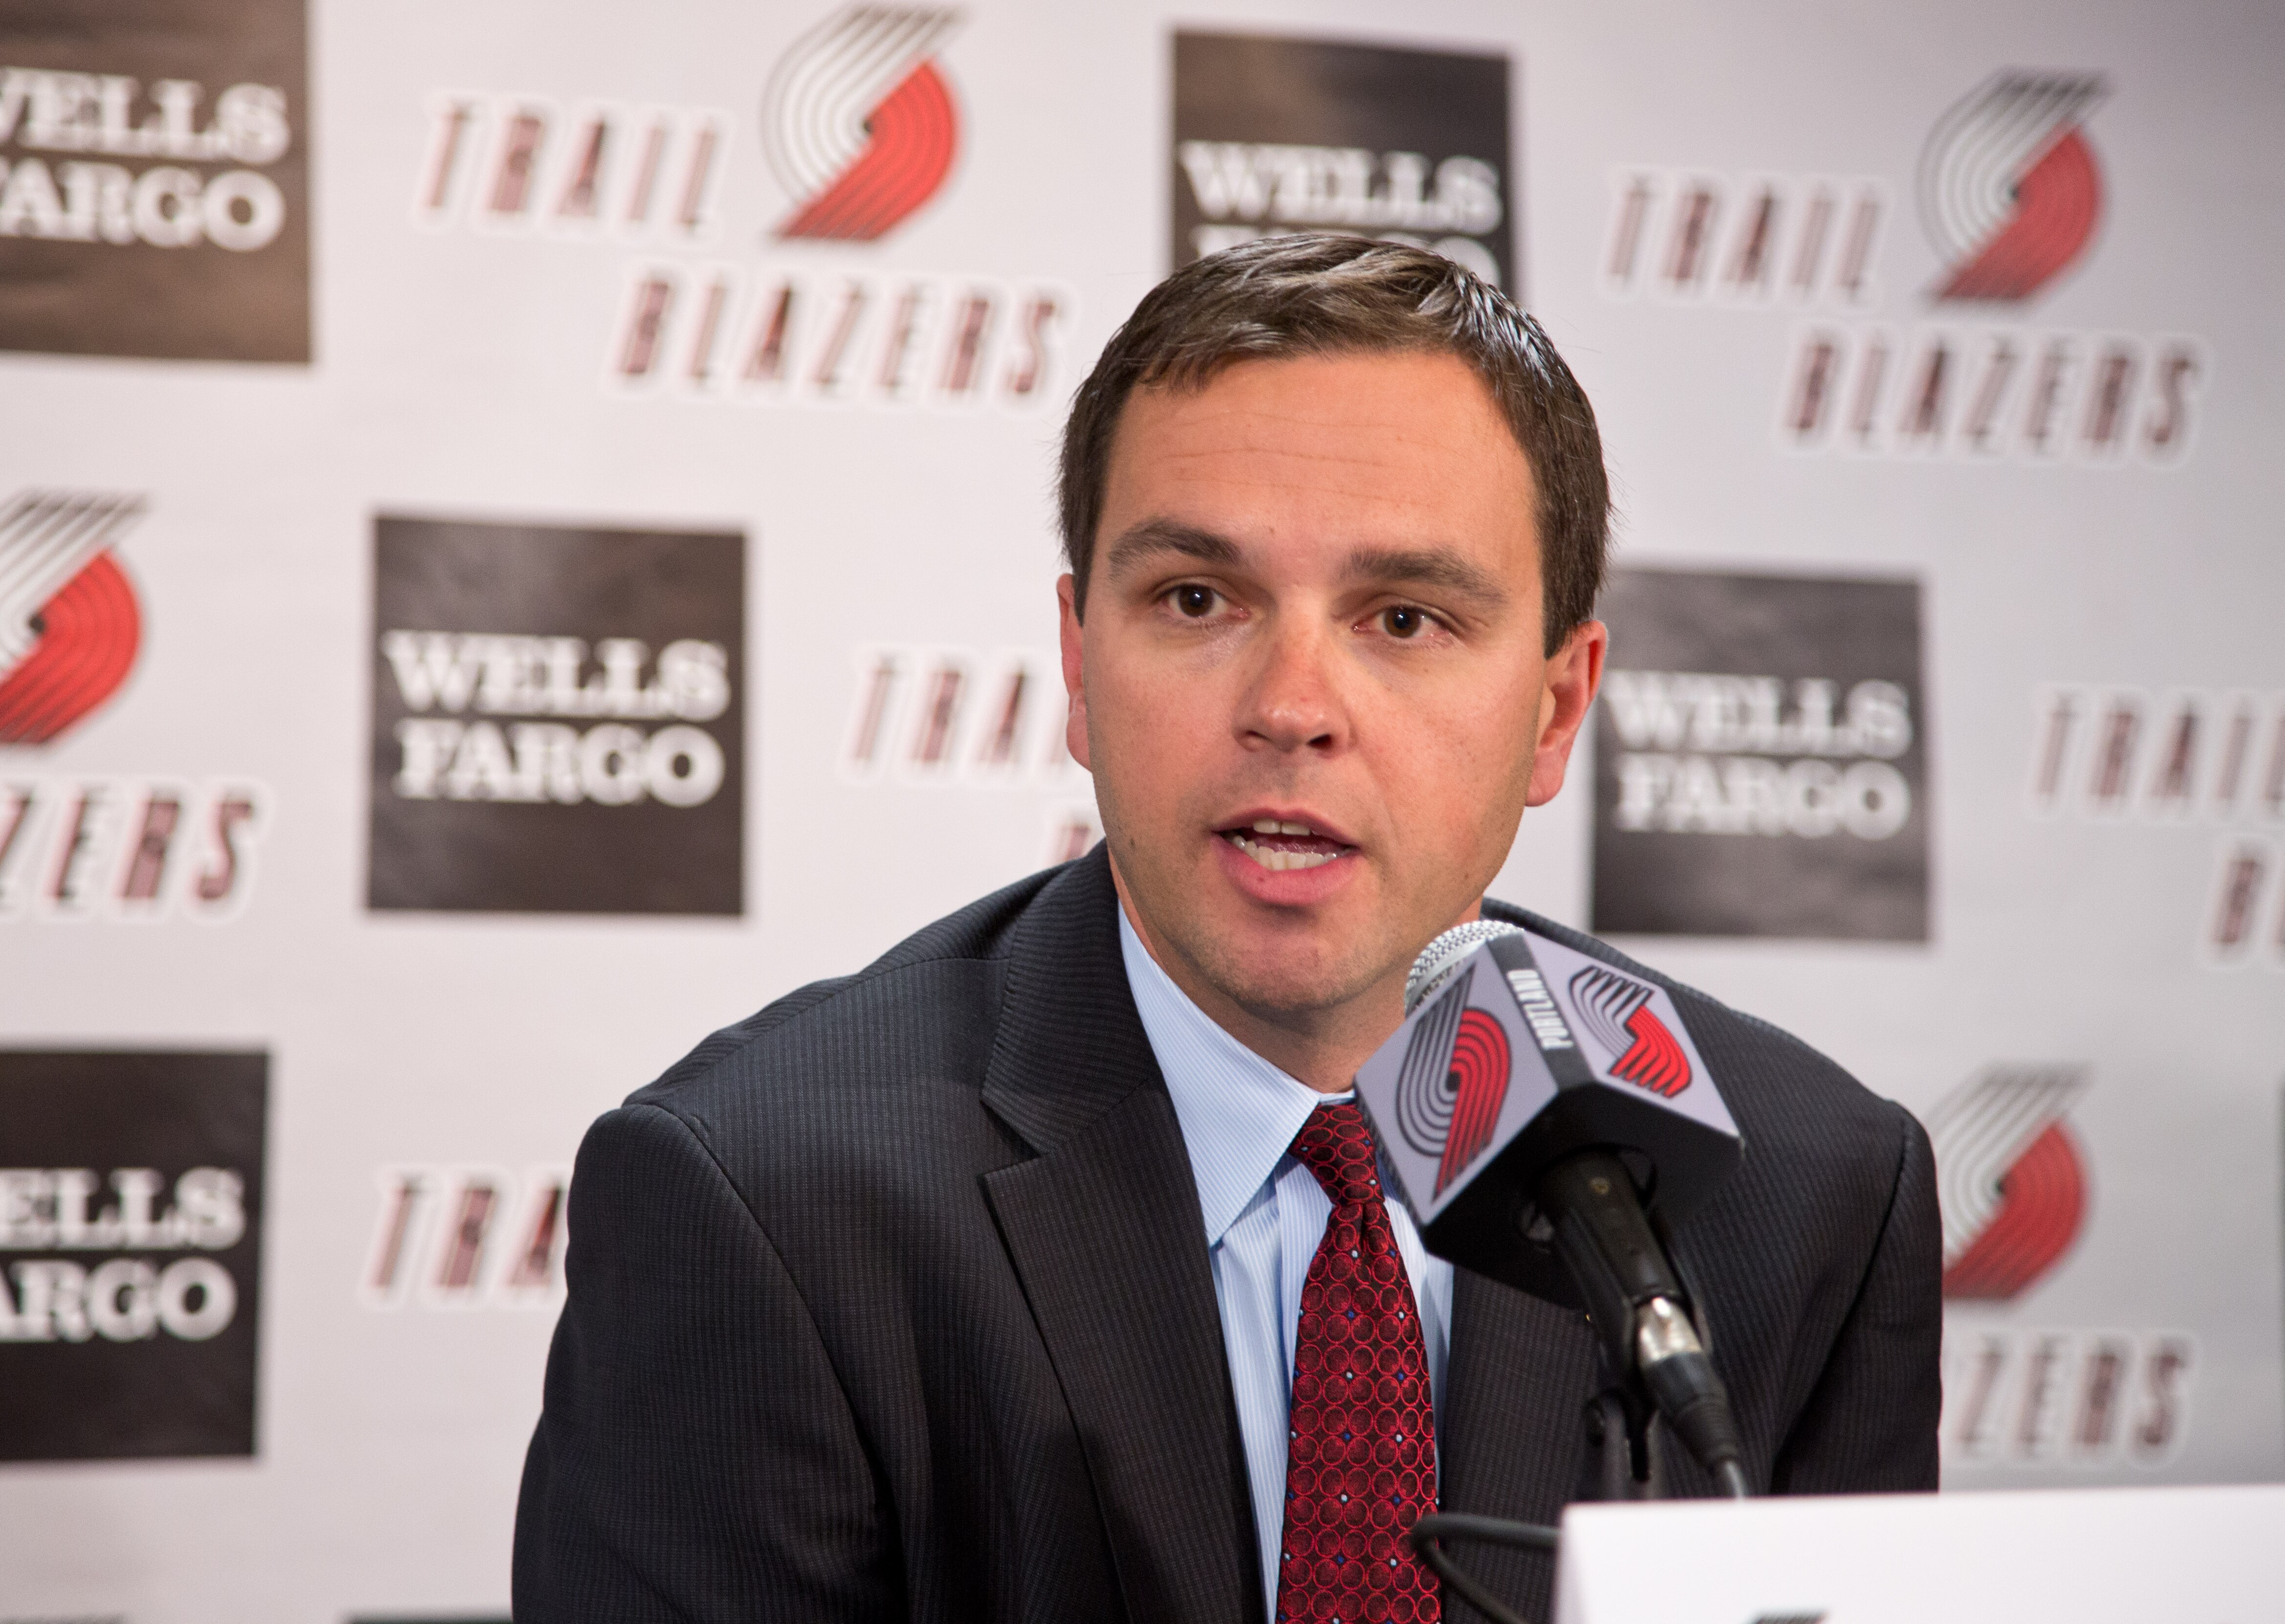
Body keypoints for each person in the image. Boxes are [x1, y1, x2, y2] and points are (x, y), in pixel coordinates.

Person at [513, 234, 1941, 1624]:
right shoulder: (768, 1207)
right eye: (1198, 599)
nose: (1291, 704)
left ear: (1558, 709)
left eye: (1404, 616)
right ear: (1079, 663)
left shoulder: (1804, 1192)